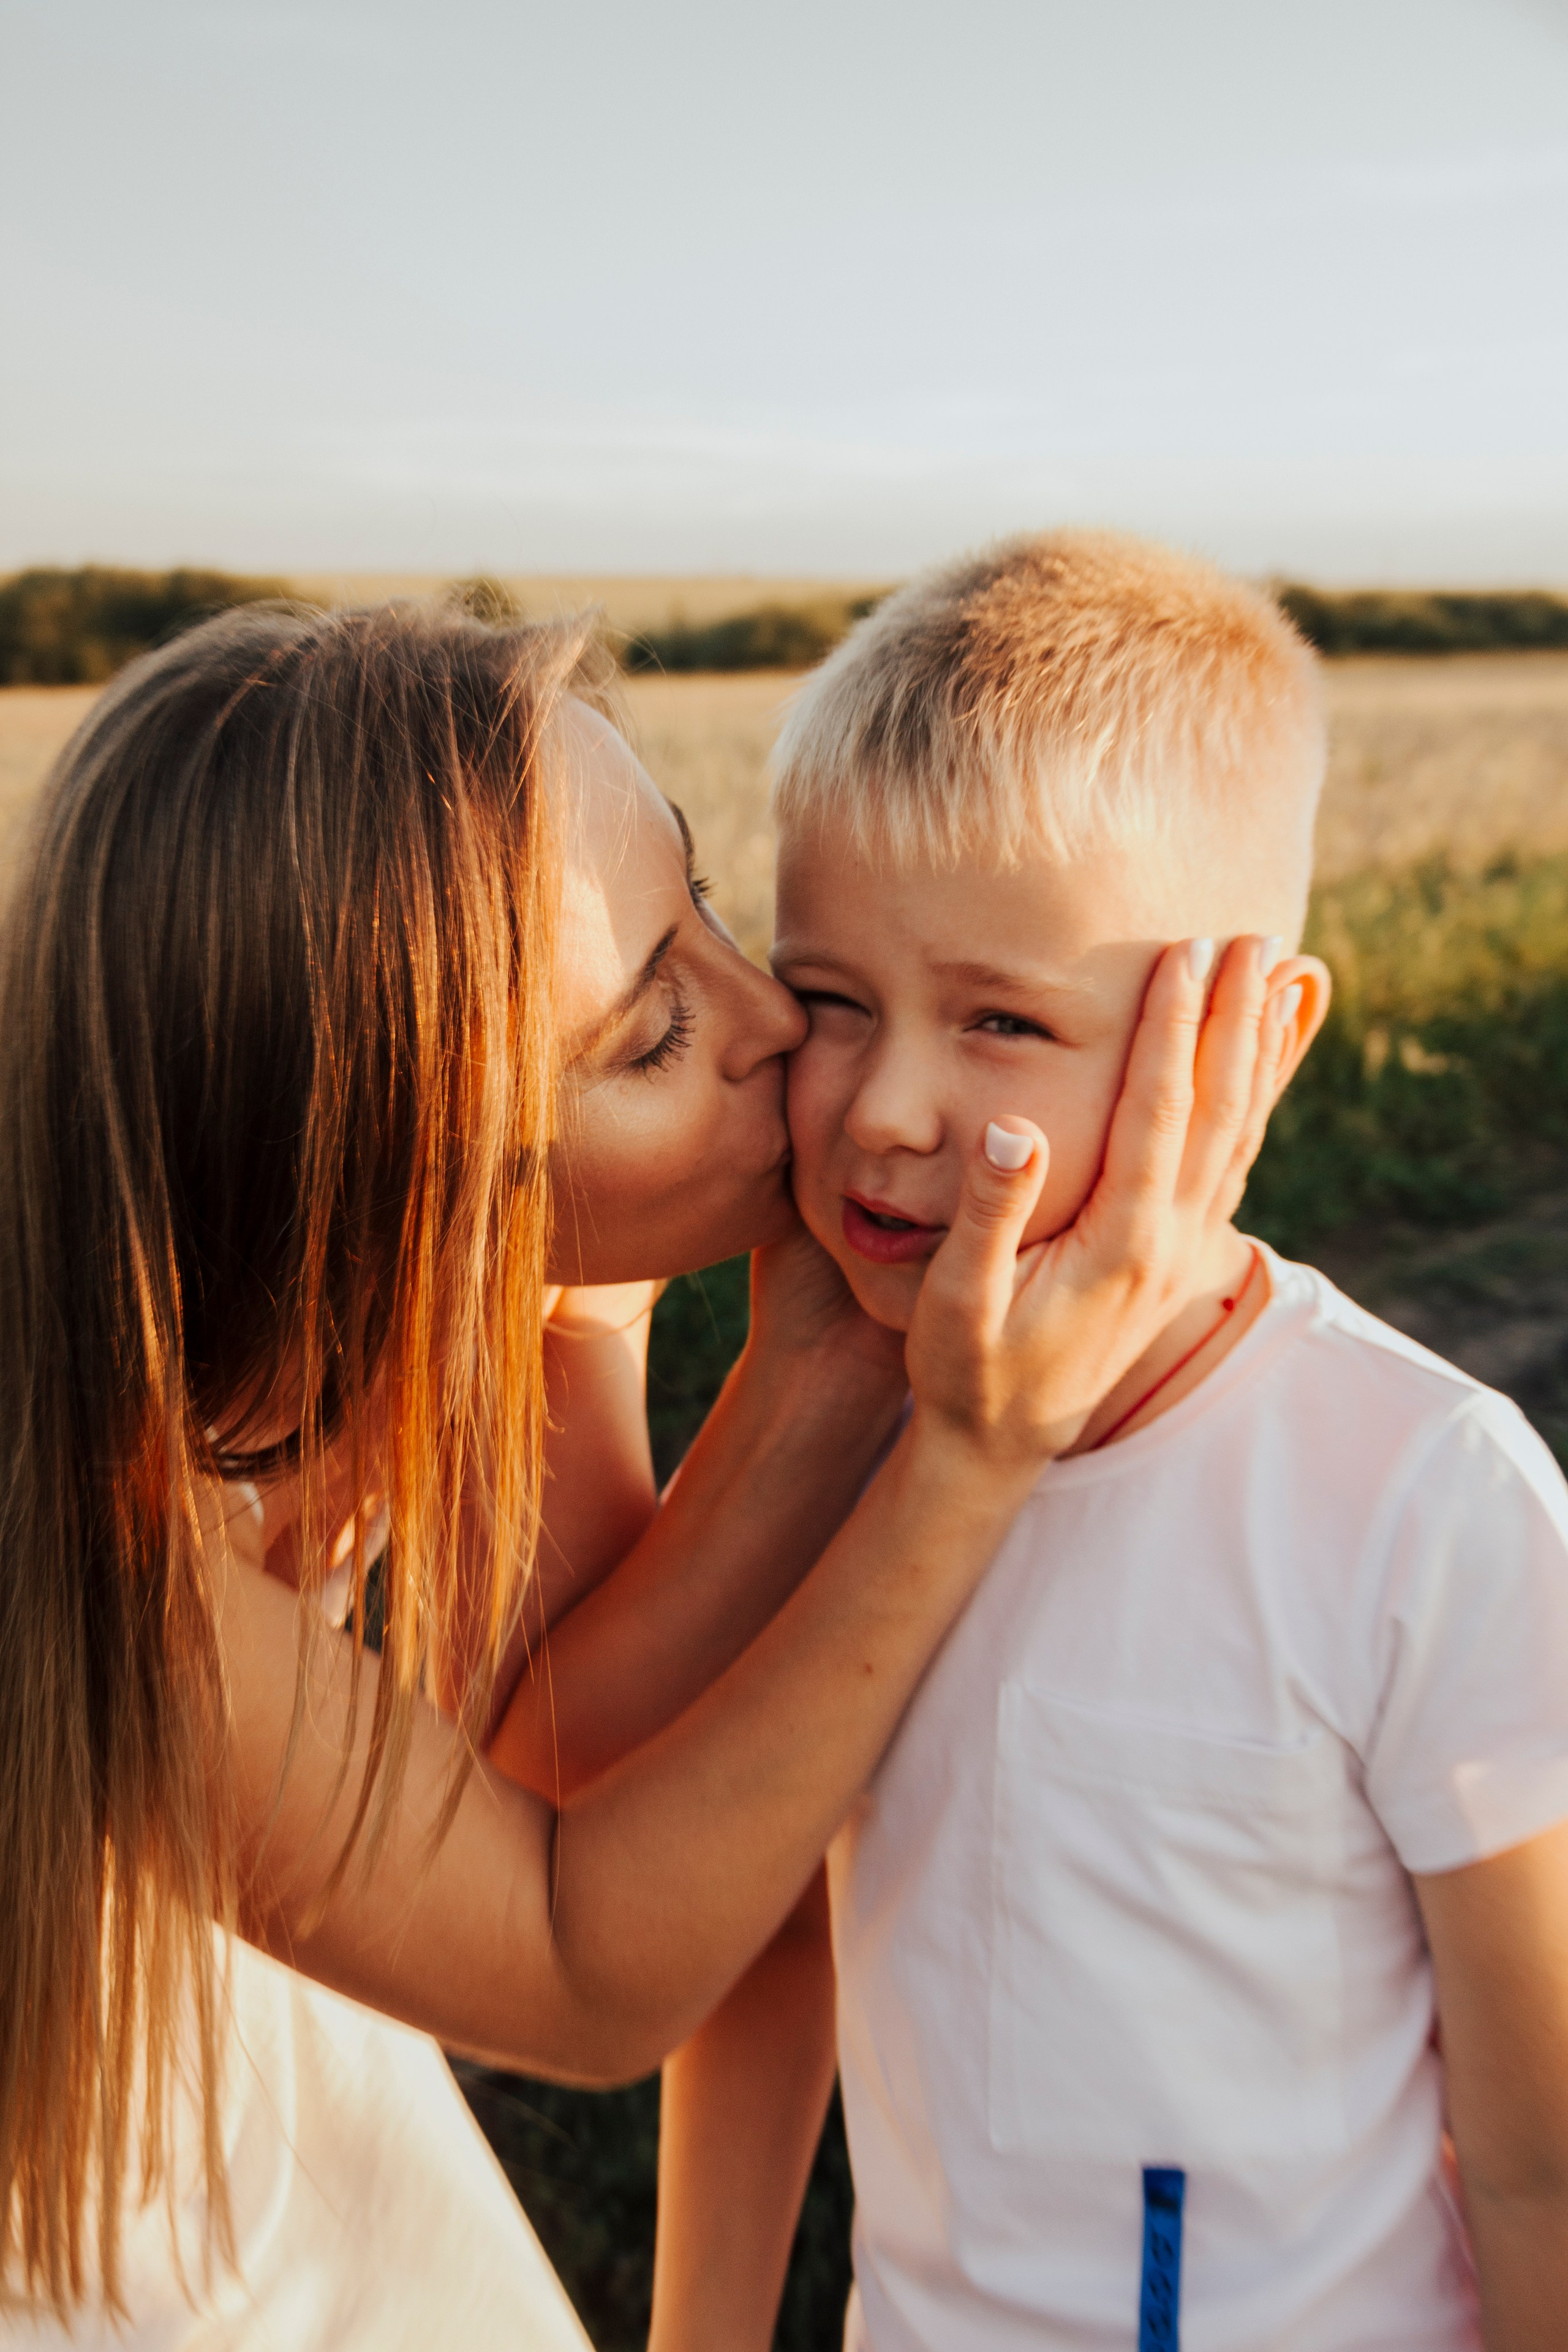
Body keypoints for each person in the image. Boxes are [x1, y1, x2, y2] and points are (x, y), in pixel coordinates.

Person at [0, 598, 1276, 2346]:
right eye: (655, 1035)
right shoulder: (90, 1562)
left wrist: (824, 1359)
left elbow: (581, 1745)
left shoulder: (466, 1278)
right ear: (387, 1191)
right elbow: (582, 1965)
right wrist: (971, 1455)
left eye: (707, 908)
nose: (778, 1024)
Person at [650, 533, 1568, 2352]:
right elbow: (743, 1943)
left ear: (1251, 1044)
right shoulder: (806, 1464)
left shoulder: (1426, 1501)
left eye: (1002, 1018)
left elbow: (1538, 2157)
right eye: (832, 1002)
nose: (889, 1108)